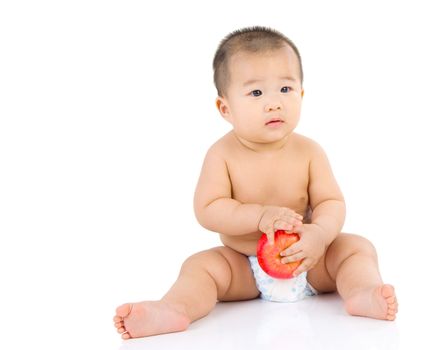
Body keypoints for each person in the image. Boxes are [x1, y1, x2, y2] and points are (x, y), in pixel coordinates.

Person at [113, 26, 398, 339]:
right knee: (201, 267)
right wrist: (259, 216)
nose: (273, 103)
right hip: (244, 268)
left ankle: (362, 292)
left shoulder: (310, 151)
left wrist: (319, 233)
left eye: (286, 90)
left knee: (356, 248)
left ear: (302, 94)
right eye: (256, 93)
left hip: (309, 262)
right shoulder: (222, 155)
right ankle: (174, 308)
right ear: (226, 108)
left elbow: (331, 201)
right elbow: (208, 209)